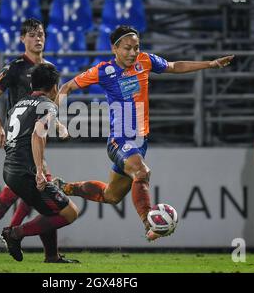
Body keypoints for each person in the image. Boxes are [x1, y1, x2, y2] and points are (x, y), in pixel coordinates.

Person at [54, 25, 234, 241]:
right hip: (119, 140)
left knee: (111, 196)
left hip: (140, 142)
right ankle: (150, 224)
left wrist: (210, 64)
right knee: (142, 172)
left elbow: (175, 66)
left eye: (136, 48)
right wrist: (55, 117)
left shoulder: (145, 61)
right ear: (114, 48)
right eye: (127, 48)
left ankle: (65, 187)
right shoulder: (104, 70)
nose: (132, 53)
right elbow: (66, 87)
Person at [0, 18, 76, 263]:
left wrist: (57, 123)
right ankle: (1, 236)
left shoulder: (49, 68)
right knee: (35, 191)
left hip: (36, 136)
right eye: (33, 34)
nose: (39, 38)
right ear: (22, 39)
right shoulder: (14, 67)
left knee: (28, 194)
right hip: (21, 141)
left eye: (42, 33)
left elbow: (52, 106)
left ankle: (13, 238)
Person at [0, 63, 80, 262]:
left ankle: (51, 256)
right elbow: (37, 134)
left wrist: (60, 128)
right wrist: (38, 170)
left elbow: (14, 138)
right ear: (54, 87)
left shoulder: (17, 106)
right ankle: (15, 233)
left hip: (10, 169)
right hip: (27, 172)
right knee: (70, 213)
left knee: (48, 211)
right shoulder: (48, 105)